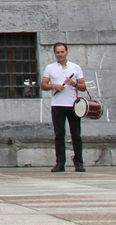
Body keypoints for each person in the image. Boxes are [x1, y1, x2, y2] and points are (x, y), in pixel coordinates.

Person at [41, 42, 87, 172]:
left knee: (76, 134)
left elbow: (83, 87)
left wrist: (73, 83)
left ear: (66, 52)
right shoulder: (50, 68)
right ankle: (60, 163)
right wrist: (54, 86)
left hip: (73, 105)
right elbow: (43, 85)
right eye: (58, 52)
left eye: (62, 52)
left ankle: (78, 162)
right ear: (54, 54)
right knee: (59, 134)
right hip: (57, 105)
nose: (60, 54)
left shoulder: (75, 67)